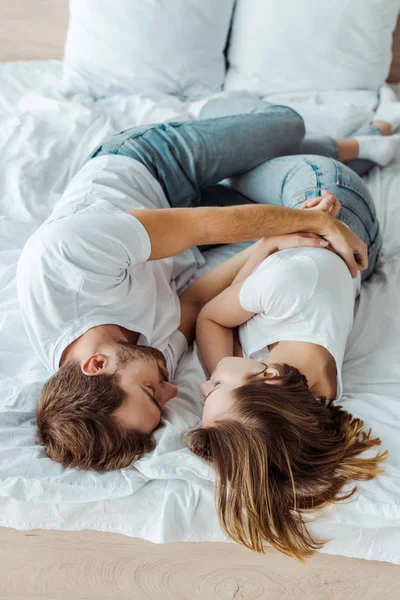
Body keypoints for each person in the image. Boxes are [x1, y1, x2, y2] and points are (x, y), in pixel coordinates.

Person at [17, 95, 395, 472]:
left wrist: (315, 225)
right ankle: (366, 143)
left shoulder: (62, 260)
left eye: (151, 391)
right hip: (186, 238)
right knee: (280, 175)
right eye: (163, 403)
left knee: (286, 126)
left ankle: (222, 111)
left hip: (150, 168)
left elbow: (200, 224)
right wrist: (267, 244)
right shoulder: (148, 362)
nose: (173, 390)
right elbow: (197, 302)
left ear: (96, 363)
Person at [185, 145, 389, 560]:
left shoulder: (315, 395)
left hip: (349, 239)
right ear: (269, 377)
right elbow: (209, 316)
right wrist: (267, 245)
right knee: (230, 166)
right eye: (216, 386)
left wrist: (228, 371)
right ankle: (362, 145)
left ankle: (363, 148)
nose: (205, 380)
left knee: (201, 193)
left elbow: (219, 322)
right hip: (323, 193)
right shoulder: (286, 286)